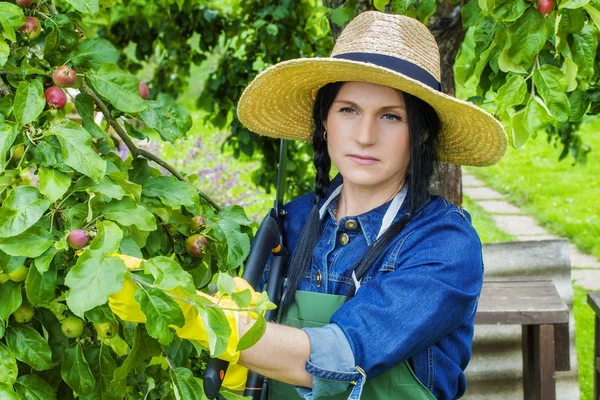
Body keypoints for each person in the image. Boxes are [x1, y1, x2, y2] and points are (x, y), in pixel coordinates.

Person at [109, 10, 507, 400]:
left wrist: (185, 310)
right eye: (348, 110)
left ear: (420, 136)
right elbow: (252, 345)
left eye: (391, 117)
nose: (365, 136)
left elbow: (342, 356)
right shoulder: (292, 223)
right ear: (324, 122)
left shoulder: (444, 243)